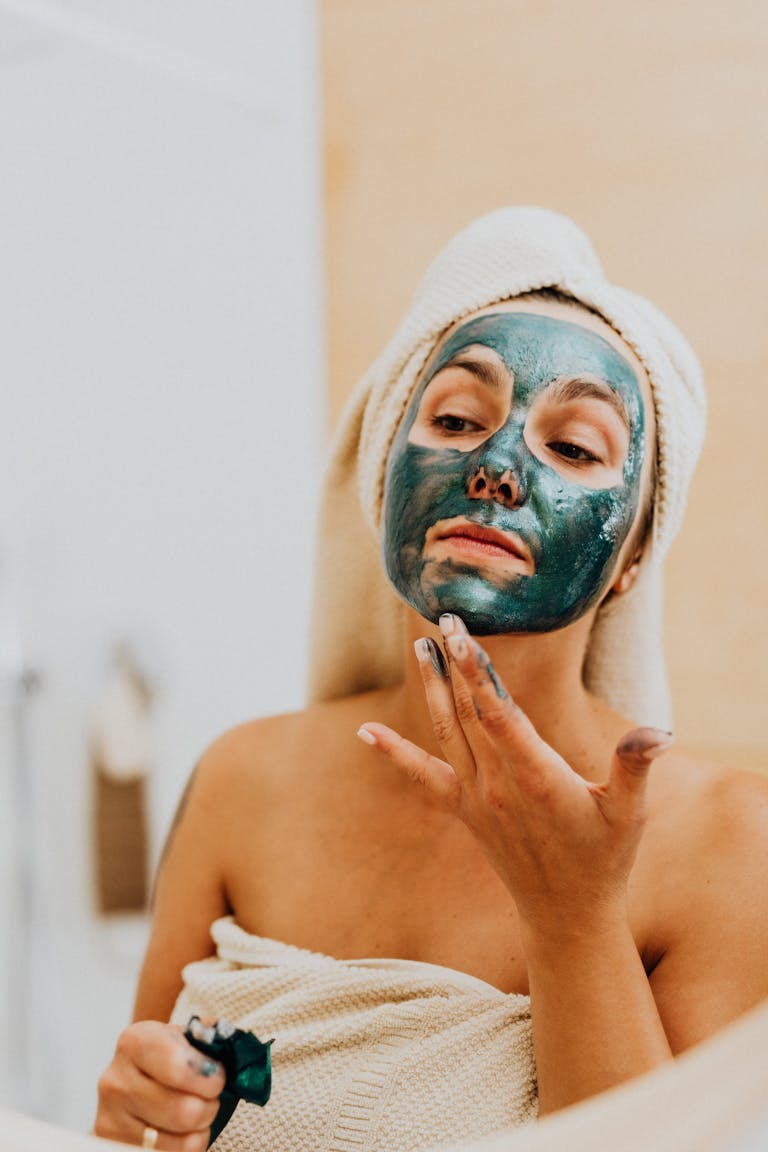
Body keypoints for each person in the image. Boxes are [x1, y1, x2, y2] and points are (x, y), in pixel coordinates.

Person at [94, 207, 768, 1152]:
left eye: (573, 447)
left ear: (633, 552)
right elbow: (141, 1128)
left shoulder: (732, 849)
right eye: (456, 419)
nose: (495, 467)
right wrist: (129, 1115)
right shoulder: (242, 781)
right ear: (384, 482)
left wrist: (572, 917)